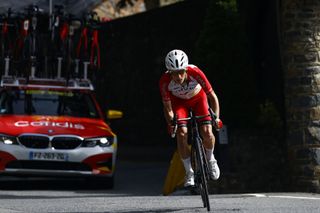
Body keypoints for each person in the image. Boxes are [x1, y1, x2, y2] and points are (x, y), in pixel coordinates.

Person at [159, 49, 221, 187]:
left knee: (207, 131)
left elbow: (213, 97)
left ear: (186, 69)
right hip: (179, 103)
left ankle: (211, 160)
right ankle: (189, 172)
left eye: (181, 72)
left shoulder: (196, 73)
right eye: (174, 73)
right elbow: (168, 108)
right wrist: (171, 123)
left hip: (198, 98)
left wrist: (216, 118)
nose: (179, 76)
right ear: (169, 72)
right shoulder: (164, 81)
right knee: (182, 133)